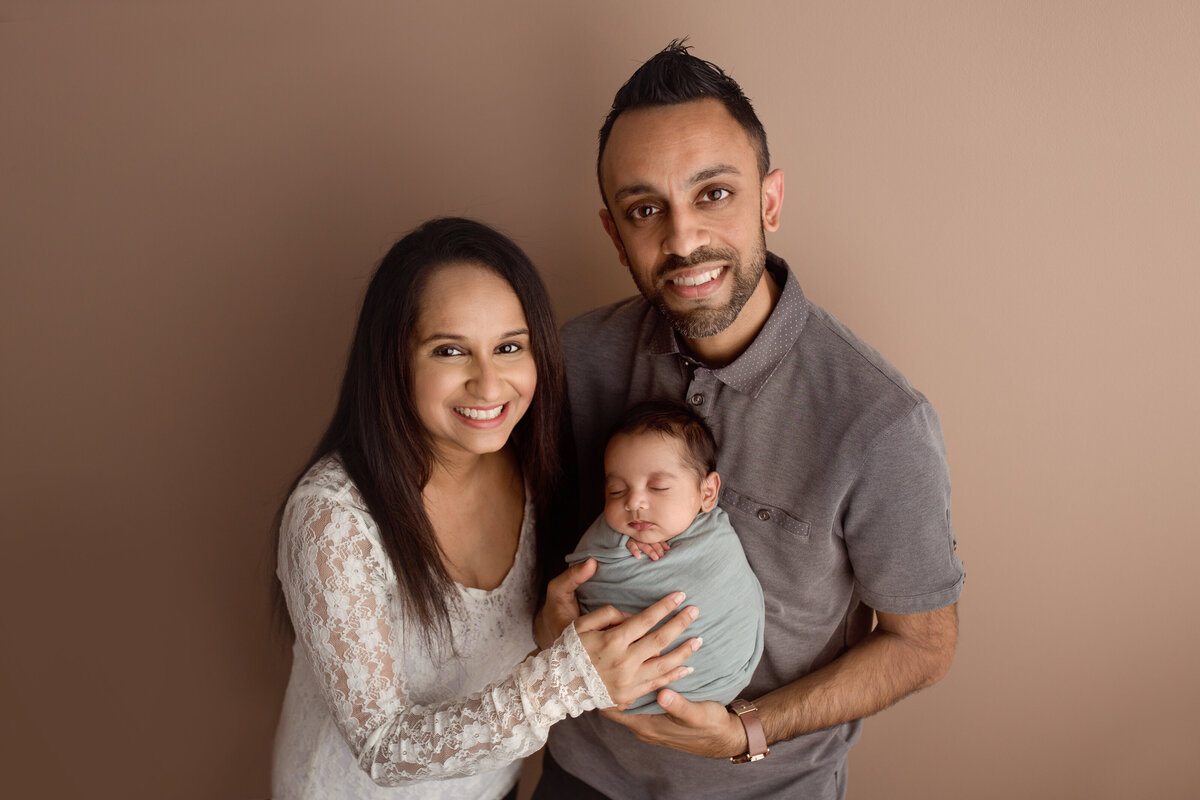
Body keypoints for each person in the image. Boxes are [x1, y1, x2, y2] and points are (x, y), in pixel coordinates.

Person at [534, 42, 966, 799]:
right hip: (582, 775)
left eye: (714, 194)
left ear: (769, 200)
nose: (682, 240)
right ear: (614, 233)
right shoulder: (570, 362)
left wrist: (747, 733)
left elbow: (922, 644)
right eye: (645, 210)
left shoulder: (879, 422)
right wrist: (545, 631)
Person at [269, 217, 701, 800]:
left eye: (509, 347)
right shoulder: (332, 517)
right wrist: (569, 677)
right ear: (393, 360)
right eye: (450, 351)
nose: (490, 383)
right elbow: (381, 745)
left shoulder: (539, 466)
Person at [565, 400, 765, 714]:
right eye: (616, 491)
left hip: (721, 692)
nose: (634, 502)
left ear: (708, 493)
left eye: (658, 487)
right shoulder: (613, 537)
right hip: (619, 690)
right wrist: (614, 545)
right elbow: (586, 568)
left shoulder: (714, 537)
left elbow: (735, 591)